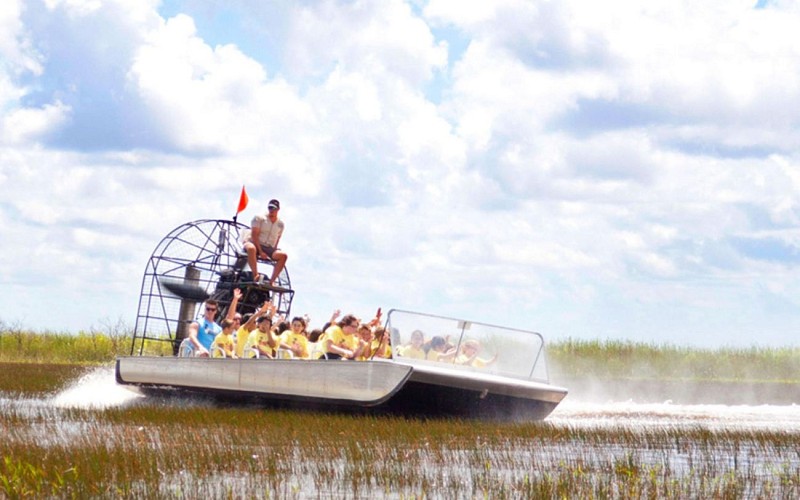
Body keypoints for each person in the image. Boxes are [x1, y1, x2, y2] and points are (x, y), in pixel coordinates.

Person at [243, 198, 287, 286]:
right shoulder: (259, 218)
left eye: (273, 208)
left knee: (283, 256)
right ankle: (255, 275)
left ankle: (272, 281)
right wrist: (261, 252)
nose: (271, 210)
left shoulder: (280, 224)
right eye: (270, 208)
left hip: (268, 247)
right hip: (254, 243)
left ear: (278, 209)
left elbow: (278, 238)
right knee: (251, 248)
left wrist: (273, 250)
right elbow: (254, 235)